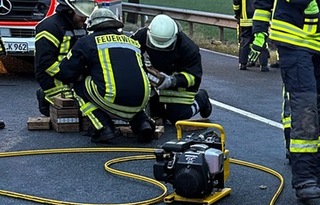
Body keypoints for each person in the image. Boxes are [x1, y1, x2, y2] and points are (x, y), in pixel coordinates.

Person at [252, 0, 320, 200]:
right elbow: (263, 4)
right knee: (305, 108)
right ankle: (304, 178)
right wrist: (259, 33)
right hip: (294, 42)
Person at [55, 8, 152, 144]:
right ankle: (143, 123)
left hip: (112, 97)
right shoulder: (131, 42)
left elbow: (66, 72)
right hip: (142, 98)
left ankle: (104, 128)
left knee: (78, 87)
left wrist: (85, 72)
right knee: (129, 90)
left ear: (92, 26)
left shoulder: (87, 42)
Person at [131, 14, 212, 132]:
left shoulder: (189, 48)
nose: (160, 50)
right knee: (154, 111)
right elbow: (129, 50)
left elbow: (194, 77)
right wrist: (142, 69)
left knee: (177, 118)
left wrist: (173, 81)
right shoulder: (142, 35)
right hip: (157, 79)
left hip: (180, 83)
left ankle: (202, 99)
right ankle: (158, 112)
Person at [34, 0, 93, 116]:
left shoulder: (80, 26)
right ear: (70, 11)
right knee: (76, 105)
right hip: (53, 77)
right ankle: (45, 97)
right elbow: (45, 62)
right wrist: (67, 76)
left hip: (74, 75)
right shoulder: (49, 27)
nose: (84, 18)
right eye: (81, 14)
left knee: (93, 99)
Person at [234, 0, 270, 71]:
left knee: (245, 41)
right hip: (259, 18)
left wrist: (237, 14)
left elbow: (236, 2)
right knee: (261, 40)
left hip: (245, 19)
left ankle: (243, 64)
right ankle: (263, 65)